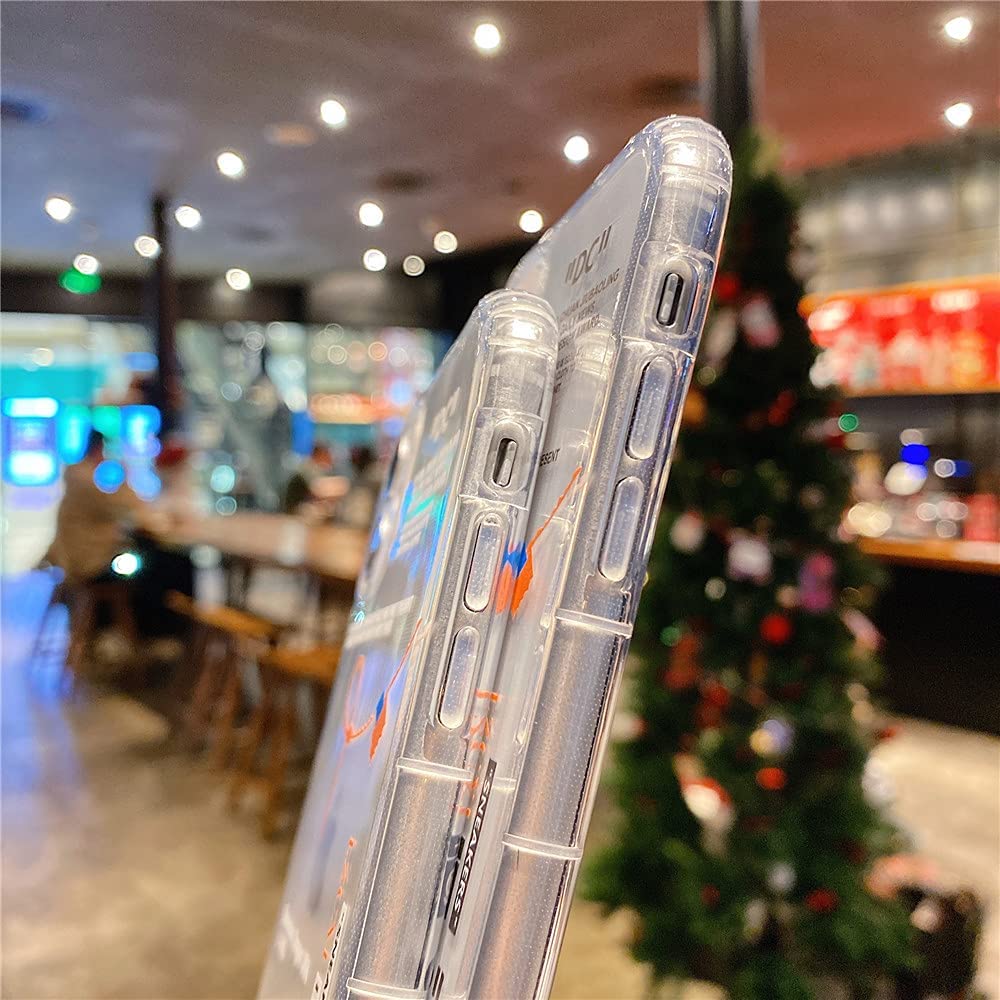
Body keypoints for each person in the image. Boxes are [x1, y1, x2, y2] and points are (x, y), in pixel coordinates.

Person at [46, 430, 144, 584]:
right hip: (89, 558)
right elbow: (127, 505)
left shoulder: (77, 474)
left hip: (72, 554)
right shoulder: (83, 479)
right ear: (100, 448)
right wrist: (126, 475)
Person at [336, 445, 381, 529]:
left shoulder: (375, 476)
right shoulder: (356, 474)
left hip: (365, 524)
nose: (352, 460)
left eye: (356, 457)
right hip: (350, 523)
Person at [282, 443, 333, 513]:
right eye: (327, 454)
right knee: (322, 511)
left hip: (302, 504)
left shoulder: (317, 468)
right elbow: (317, 491)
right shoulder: (308, 466)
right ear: (320, 454)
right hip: (295, 507)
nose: (330, 457)